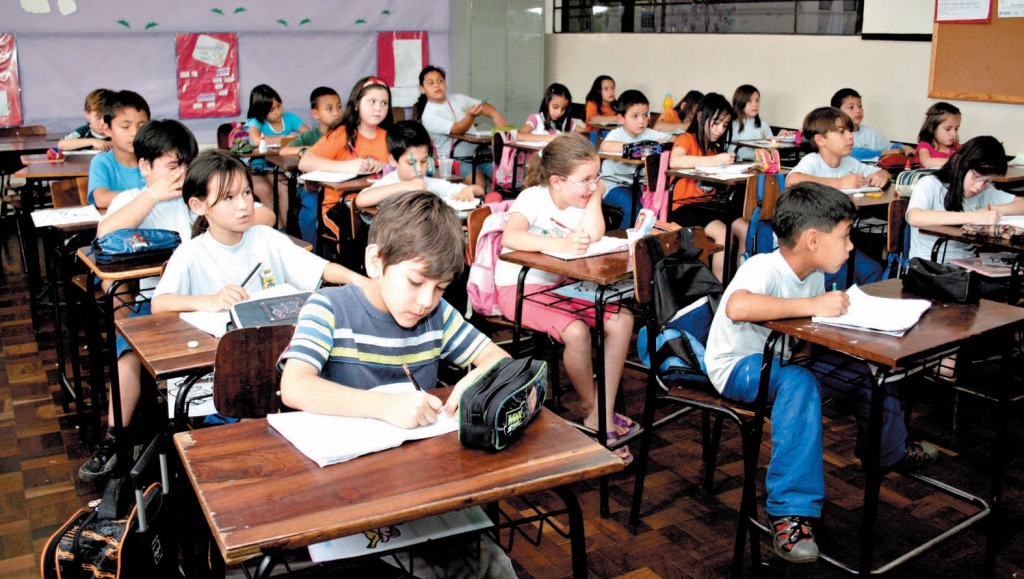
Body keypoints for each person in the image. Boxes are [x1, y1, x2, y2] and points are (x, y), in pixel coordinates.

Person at [278, 191, 516, 579]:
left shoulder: (438, 316)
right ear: (376, 261)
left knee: (493, 566)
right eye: (416, 281)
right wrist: (386, 406)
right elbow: (295, 387)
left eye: (440, 287)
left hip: (416, 483)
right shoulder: (329, 308)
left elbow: (498, 359)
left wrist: (472, 380)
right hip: (346, 486)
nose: (426, 300)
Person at [704, 182, 939, 565]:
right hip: (737, 367)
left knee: (864, 370)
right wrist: (815, 305)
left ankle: (887, 451)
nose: (850, 246)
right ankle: (789, 512)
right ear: (812, 240)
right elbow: (738, 307)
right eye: (845, 237)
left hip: (784, 360)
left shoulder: (812, 273)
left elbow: (803, 328)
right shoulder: (763, 266)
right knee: (800, 384)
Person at [77, 124, 277, 481]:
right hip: (155, 303)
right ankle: (115, 438)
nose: (182, 173)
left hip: (211, 300)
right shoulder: (133, 199)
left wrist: (221, 214)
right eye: (172, 166)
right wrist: (153, 195)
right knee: (128, 351)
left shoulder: (198, 198)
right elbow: (106, 235)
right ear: (145, 166)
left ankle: (223, 428)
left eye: (187, 164)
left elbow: (264, 215)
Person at [495, 133, 637, 464]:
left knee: (622, 320)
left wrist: (594, 194)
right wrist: (559, 245)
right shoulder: (533, 198)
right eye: (585, 179)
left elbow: (595, 234)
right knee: (576, 331)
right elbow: (511, 236)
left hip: (559, 286)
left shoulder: (581, 201)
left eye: (597, 176)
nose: (593, 184)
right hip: (519, 289)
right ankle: (592, 409)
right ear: (557, 181)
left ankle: (602, 410)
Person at [785, 106, 888, 289]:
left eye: (849, 131)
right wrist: (839, 183)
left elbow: (880, 172)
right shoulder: (813, 161)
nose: (850, 137)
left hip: (837, 241)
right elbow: (792, 180)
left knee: (873, 270)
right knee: (839, 274)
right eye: (841, 132)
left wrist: (882, 176)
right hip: (809, 242)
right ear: (820, 139)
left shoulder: (849, 163)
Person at [298, 77, 393, 239]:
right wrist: (347, 167)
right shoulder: (342, 134)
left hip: (376, 205)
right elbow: (305, 162)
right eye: (372, 101)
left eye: (384, 103)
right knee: (360, 237)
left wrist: (385, 166)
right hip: (339, 206)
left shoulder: (390, 137)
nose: (378, 108)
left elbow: (403, 168)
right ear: (356, 105)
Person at [906, 136, 1023, 263]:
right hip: (928, 265)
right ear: (961, 164)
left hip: (967, 264)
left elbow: (1021, 205)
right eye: (976, 176)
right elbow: (915, 217)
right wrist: (974, 217)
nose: (979, 186)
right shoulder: (930, 183)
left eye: (988, 181)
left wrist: (993, 210)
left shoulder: (985, 190)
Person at [667, 93, 737, 280]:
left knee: (745, 227)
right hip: (683, 206)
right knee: (724, 232)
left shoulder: (714, 149)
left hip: (707, 205)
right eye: (716, 123)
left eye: (725, 125)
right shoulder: (686, 139)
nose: (720, 130)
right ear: (700, 116)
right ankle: (718, 288)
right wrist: (714, 161)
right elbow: (675, 161)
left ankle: (737, 283)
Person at [355, 120, 481, 212]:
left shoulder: (429, 184)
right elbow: (360, 200)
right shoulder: (390, 182)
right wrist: (406, 186)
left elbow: (479, 190)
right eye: (411, 163)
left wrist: (469, 190)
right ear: (393, 160)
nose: (419, 169)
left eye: (424, 161)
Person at [417, 65, 508, 187]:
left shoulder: (458, 99)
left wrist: (495, 115)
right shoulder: (429, 115)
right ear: (422, 89)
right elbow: (457, 130)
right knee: (479, 184)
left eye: (440, 81)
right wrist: (471, 116)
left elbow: (481, 105)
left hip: (479, 151)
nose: (437, 85)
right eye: (431, 83)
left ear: (445, 84)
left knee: (504, 180)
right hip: (454, 158)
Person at [599, 89, 673, 227]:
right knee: (636, 210)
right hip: (613, 186)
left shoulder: (648, 133)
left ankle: (648, 236)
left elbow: (672, 140)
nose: (641, 121)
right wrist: (638, 148)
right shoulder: (617, 134)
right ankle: (627, 238)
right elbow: (606, 146)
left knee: (656, 208)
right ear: (621, 118)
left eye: (645, 115)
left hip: (639, 186)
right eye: (635, 116)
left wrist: (663, 142)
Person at [280, 86, 343, 243]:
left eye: (339, 107)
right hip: (313, 190)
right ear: (315, 114)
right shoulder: (311, 135)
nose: (336, 113)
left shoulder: (345, 134)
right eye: (329, 109)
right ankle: (310, 250)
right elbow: (284, 151)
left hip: (339, 189)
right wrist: (309, 149)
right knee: (313, 211)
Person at [244, 84, 308, 228]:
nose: (278, 111)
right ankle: (275, 229)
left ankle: (287, 230)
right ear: (261, 112)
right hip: (255, 168)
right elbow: (256, 140)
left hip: (276, 167)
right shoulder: (255, 121)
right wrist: (286, 139)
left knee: (284, 189)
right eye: (271, 110)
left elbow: (309, 135)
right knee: (265, 190)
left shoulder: (289, 118)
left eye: (279, 105)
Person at [87, 90, 150, 209]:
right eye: (125, 127)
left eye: (141, 127)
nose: (135, 133)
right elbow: (101, 199)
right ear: (107, 130)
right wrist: (149, 197)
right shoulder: (102, 162)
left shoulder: (155, 160)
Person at [830, 88, 915, 162]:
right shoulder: (836, 134)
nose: (858, 110)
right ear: (837, 111)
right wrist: (883, 153)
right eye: (851, 107)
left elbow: (887, 147)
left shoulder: (870, 132)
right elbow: (852, 152)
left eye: (860, 106)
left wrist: (902, 147)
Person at [729, 84, 795, 161]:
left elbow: (771, 149)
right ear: (740, 103)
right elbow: (730, 152)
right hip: (741, 164)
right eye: (749, 101)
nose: (755, 104)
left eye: (757, 100)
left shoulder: (763, 125)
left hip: (763, 164)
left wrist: (780, 138)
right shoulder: (733, 126)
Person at [516, 83, 584, 143]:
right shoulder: (536, 119)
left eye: (563, 108)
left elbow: (587, 133)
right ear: (547, 103)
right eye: (555, 107)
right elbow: (519, 136)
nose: (559, 112)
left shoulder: (565, 122)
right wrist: (549, 138)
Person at [916, 102, 962, 169]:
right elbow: (927, 162)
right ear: (933, 128)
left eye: (956, 129)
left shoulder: (957, 147)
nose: (954, 134)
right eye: (948, 129)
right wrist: (952, 162)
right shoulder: (925, 147)